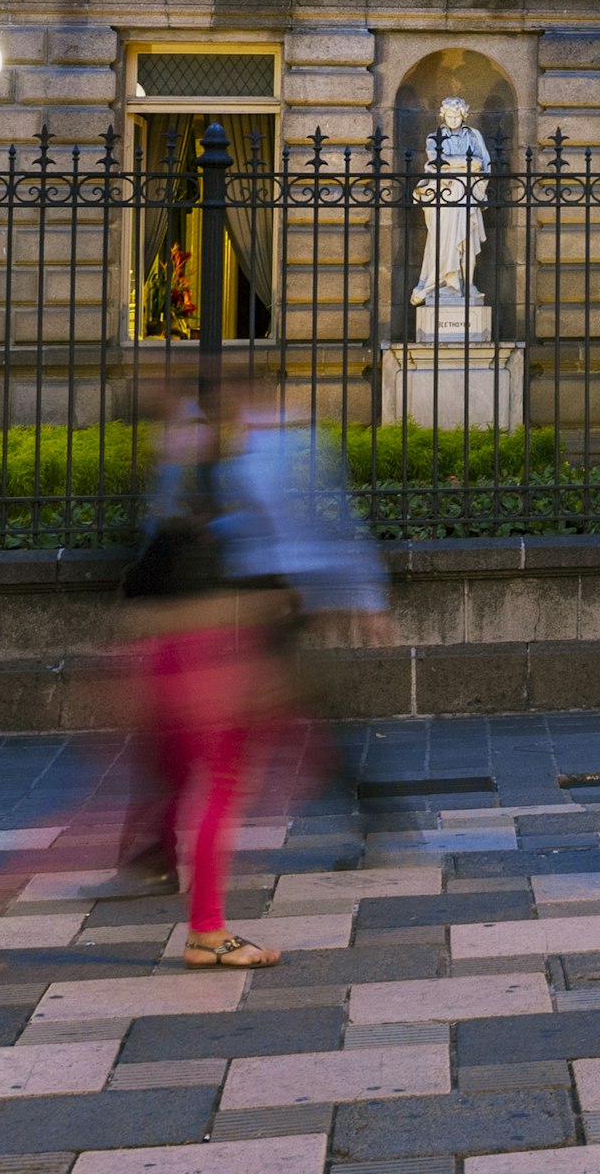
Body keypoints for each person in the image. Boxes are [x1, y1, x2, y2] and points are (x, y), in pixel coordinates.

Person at [116, 407, 281, 967]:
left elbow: (138, 600)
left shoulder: (169, 528)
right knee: (220, 791)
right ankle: (207, 930)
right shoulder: (202, 526)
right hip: (199, 671)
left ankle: (175, 888)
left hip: (170, 669)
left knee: (188, 787)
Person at [218, 382, 395, 844]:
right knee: (287, 713)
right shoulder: (257, 449)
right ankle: (366, 806)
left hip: (282, 595)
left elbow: (329, 522)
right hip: (272, 594)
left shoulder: (290, 447)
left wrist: (363, 594)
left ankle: (364, 805)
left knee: (273, 711)